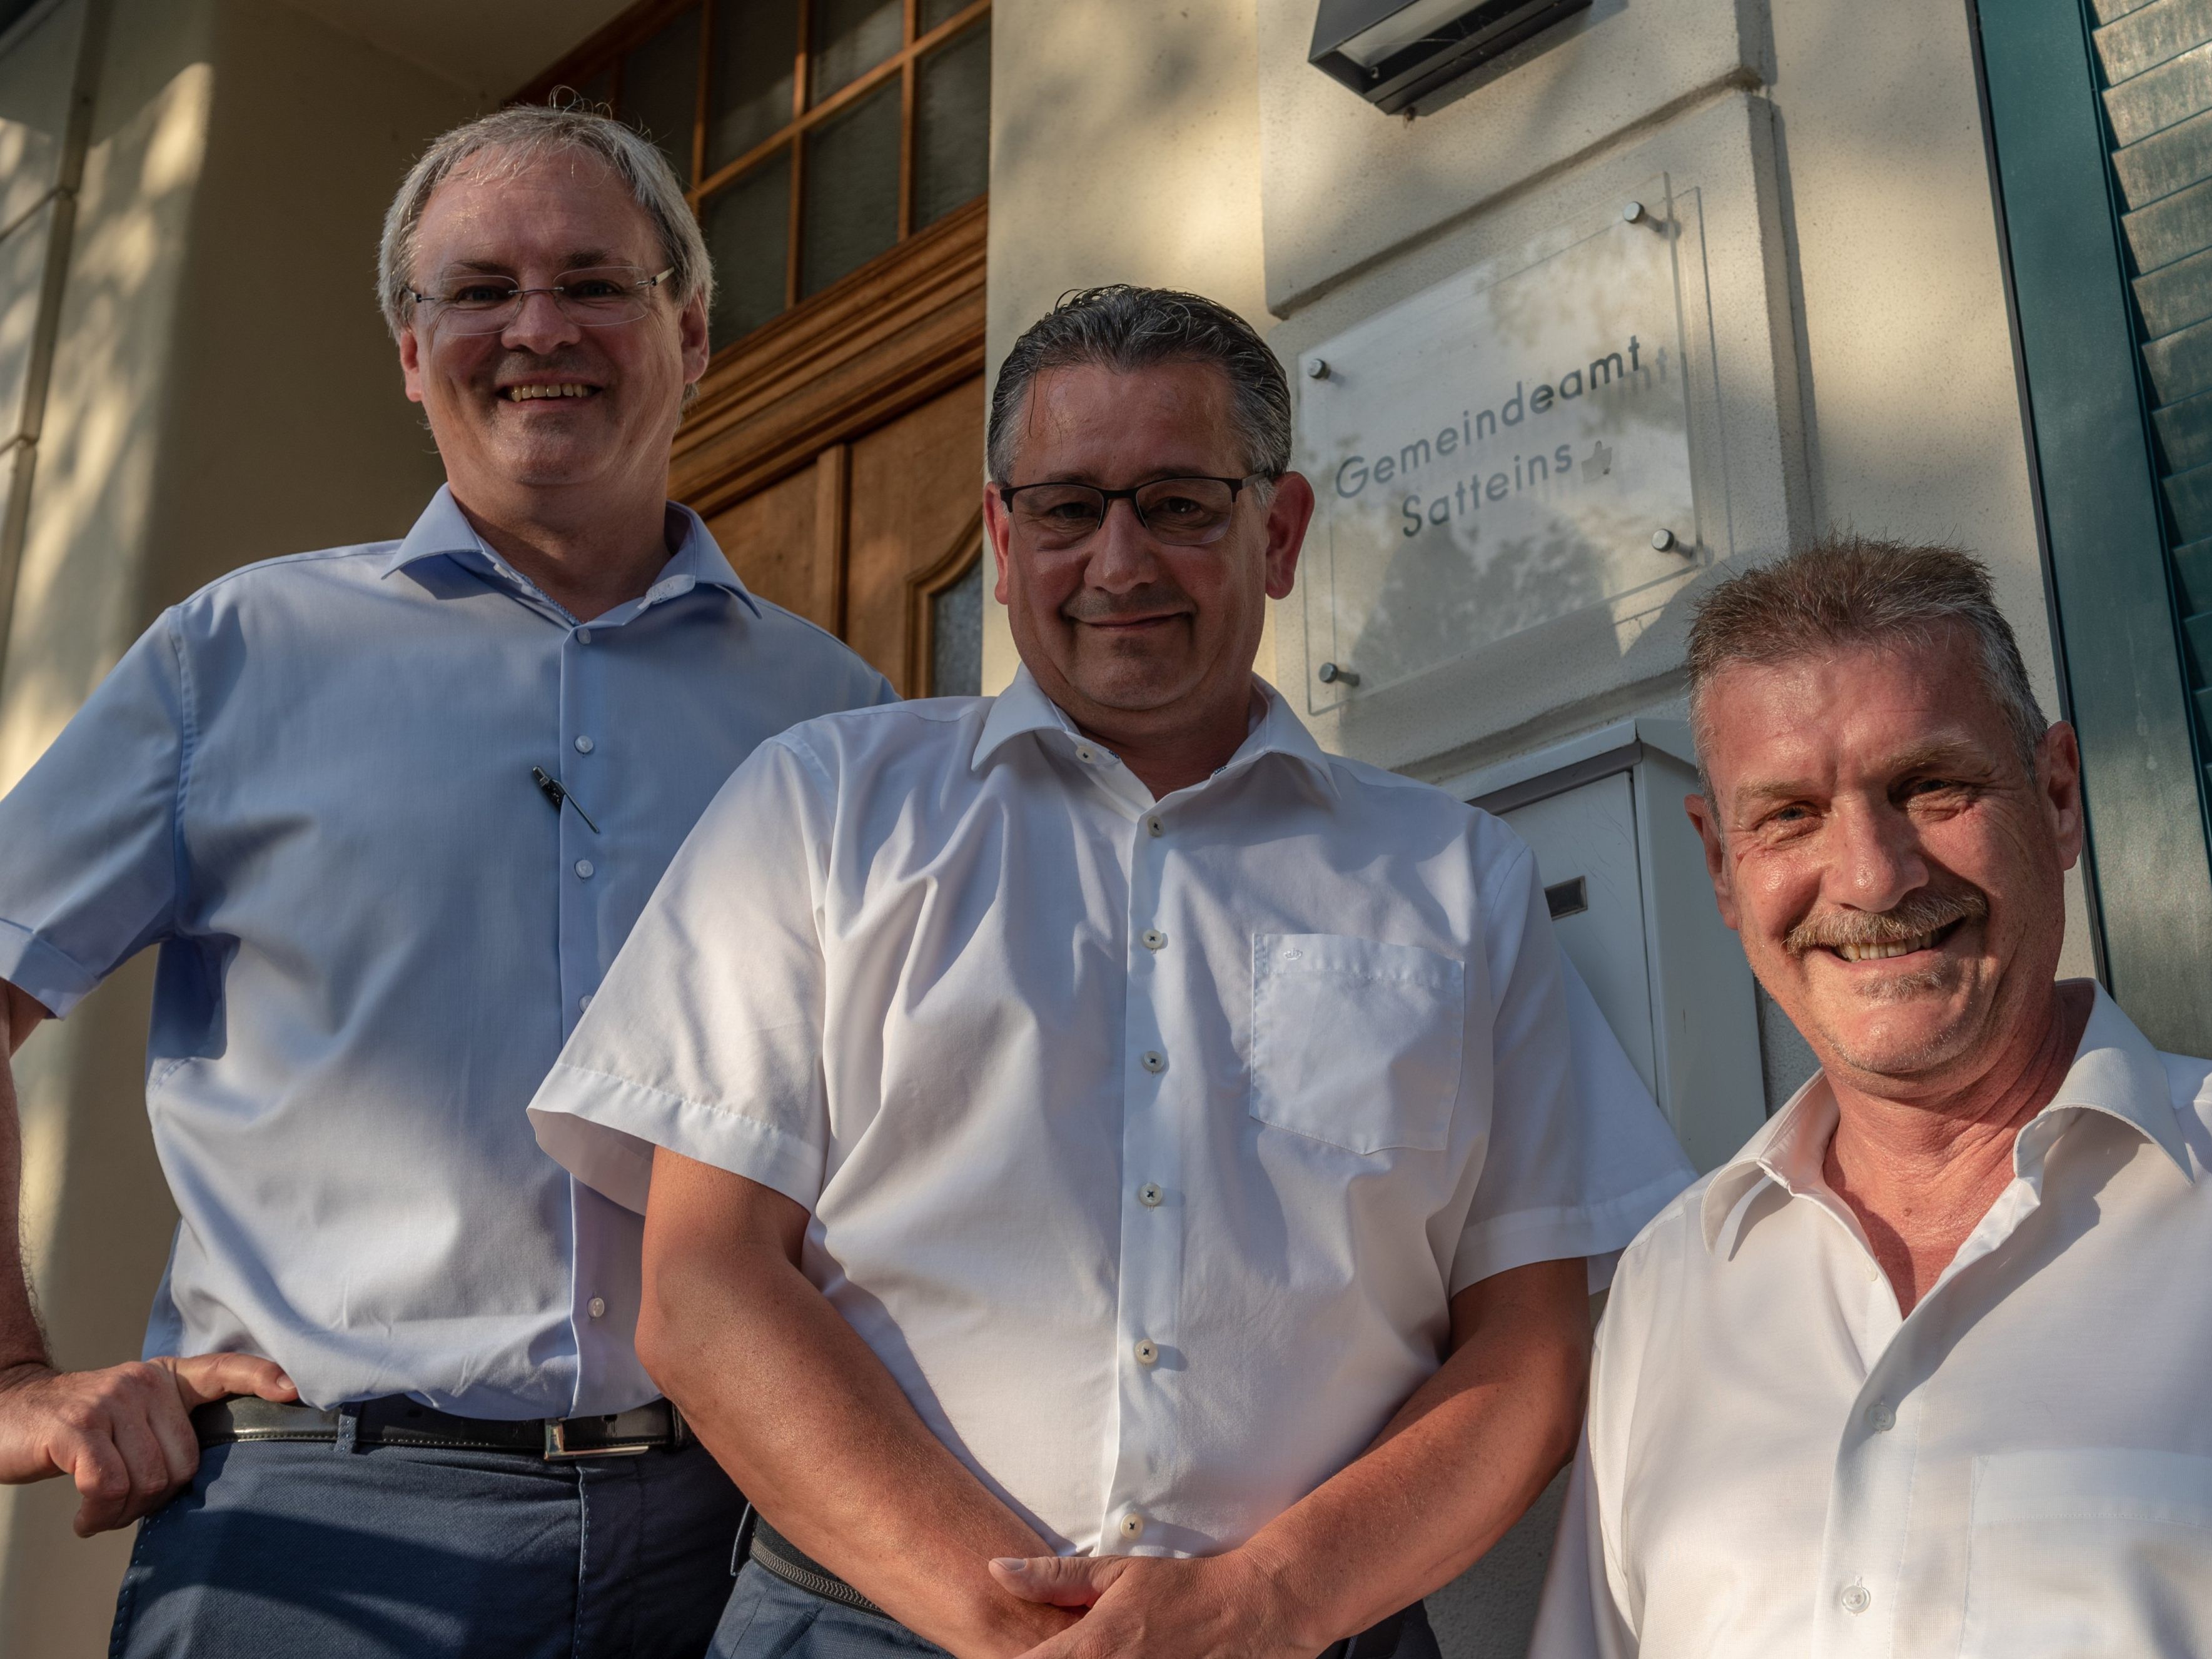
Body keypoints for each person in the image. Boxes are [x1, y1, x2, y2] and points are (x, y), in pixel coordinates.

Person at [528, 284, 1693, 1659]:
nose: (1120, 561)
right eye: (1070, 507)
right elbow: (708, 1286)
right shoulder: (824, 808)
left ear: (1279, 531)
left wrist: (1270, 1604)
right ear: (1001, 537)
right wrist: (1020, 1628)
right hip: (865, 1624)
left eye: (1181, 504)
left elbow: (1528, 1356)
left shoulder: (1455, 879)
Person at [0, 106, 892, 1656]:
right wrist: (12, 1377)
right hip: (324, 1534)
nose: (535, 327)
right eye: (476, 290)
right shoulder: (241, 658)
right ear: (412, 355)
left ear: (689, 331)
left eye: (593, 283)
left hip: (745, 1539)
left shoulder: (839, 719)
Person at [1529, 537, 2212, 1657]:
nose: (1870, 875)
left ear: (2055, 796)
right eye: (1789, 814)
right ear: (1718, 867)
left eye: (1931, 786)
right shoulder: (1668, 1288)